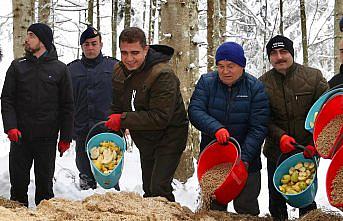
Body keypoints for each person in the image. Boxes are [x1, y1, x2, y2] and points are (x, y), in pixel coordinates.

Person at [104, 27, 188, 202]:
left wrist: (123, 120)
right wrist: (113, 126)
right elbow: (117, 104)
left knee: (159, 187)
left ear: (146, 49)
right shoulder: (119, 70)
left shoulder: (162, 74)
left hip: (169, 136)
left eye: (135, 53)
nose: (129, 59)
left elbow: (160, 117)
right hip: (144, 135)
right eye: (124, 53)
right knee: (149, 187)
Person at [188, 42, 269, 215]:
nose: (225, 71)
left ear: (242, 65)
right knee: (214, 209)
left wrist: (243, 160)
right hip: (214, 159)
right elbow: (195, 110)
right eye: (221, 66)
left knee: (246, 208)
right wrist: (216, 128)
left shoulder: (255, 88)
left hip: (247, 161)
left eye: (230, 66)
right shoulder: (207, 82)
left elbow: (259, 127)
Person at [1, 23, 74, 207]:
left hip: (47, 139)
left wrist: (65, 137)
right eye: (27, 35)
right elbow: (7, 99)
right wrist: (10, 127)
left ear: (43, 41)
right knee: (18, 187)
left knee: (44, 187)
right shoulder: (17, 66)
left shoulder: (60, 69)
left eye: (31, 35)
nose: (27, 39)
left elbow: (67, 106)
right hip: (20, 138)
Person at [259, 35, 329, 221]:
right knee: (276, 198)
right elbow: (261, 118)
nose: (279, 57)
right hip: (276, 150)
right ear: (269, 57)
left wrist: (316, 143)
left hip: (306, 150)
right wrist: (280, 136)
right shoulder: (261, 84)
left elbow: (324, 113)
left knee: (306, 198)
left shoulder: (314, 77)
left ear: (292, 53)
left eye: (284, 52)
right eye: (274, 53)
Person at [68, 26, 119, 190]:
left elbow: (125, 97)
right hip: (82, 130)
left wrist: (125, 121)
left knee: (109, 176)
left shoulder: (115, 67)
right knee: (85, 175)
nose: (90, 48)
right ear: (81, 47)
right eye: (86, 44)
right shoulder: (71, 69)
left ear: (101, 44)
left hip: (108, 131)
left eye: (93, 43)